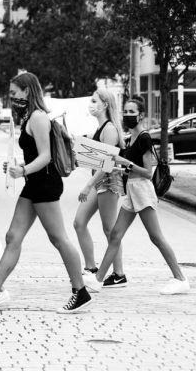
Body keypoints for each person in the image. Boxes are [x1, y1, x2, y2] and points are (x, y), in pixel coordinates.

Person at [0, 72, 93, 313]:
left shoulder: (38, 118)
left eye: (14, 94)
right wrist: (16, 168)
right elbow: (34, 155)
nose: (12, 98)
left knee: (59, 238)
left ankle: (80, 291)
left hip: (44, 183)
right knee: (13, 236)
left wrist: (22, 170)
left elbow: (46, 156)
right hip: (33, 183)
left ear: (27, 91)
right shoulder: (29, 118)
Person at [83, 95, 188, 296]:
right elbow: (130, 168)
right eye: (126, 111)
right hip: (132, 190)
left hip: (142, 190)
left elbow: (148, 172)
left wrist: (123, 162)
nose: (127, 115)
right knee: (115, 235)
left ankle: (180, 278)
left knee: (156, 237)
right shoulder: (131, 138)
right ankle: (97, 280)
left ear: (141, 116)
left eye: (132, 112)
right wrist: (122, 167)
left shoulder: (144, 138)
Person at [74, 88, 126, 287]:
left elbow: (107, 164)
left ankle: (119, 274)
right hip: (99, 182)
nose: (91, 105)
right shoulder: (100, 128)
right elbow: (91, 152)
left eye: (95, 101)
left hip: (108, 182)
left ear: (105, 104)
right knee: (79, 222)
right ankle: (90, 267)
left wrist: (87, 186)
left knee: (110, 231)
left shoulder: (110, 129)